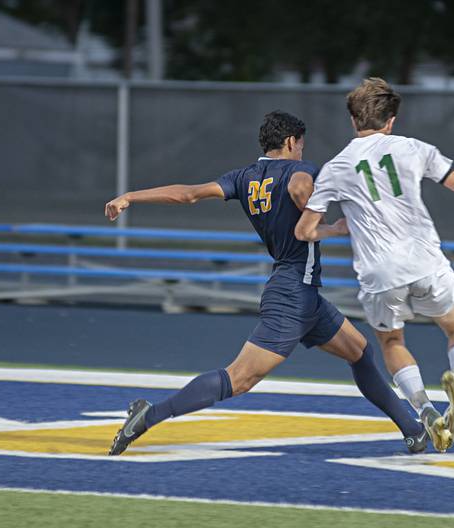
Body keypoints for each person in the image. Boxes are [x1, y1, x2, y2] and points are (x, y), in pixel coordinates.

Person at [103, 110, 428, 456]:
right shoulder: (300, 170)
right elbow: (300, 187)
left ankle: (412, 430)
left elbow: (189, 194)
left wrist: (131, 196)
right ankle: (149, 415)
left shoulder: (245, 177)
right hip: (293, 295)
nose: (302, 151)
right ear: (291, 142)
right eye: (300, 145)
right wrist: (330, 222)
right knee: (239, 378)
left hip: (302, 294)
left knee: (359, 352)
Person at [295, 78, 454, 451]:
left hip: (379, 272)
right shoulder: (413, 148)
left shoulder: (336, 166)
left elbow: (304, 231)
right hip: (425, 260)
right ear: (391, 120)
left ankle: (425, 410)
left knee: (392, 341)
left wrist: (336, 228)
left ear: (352, 120)